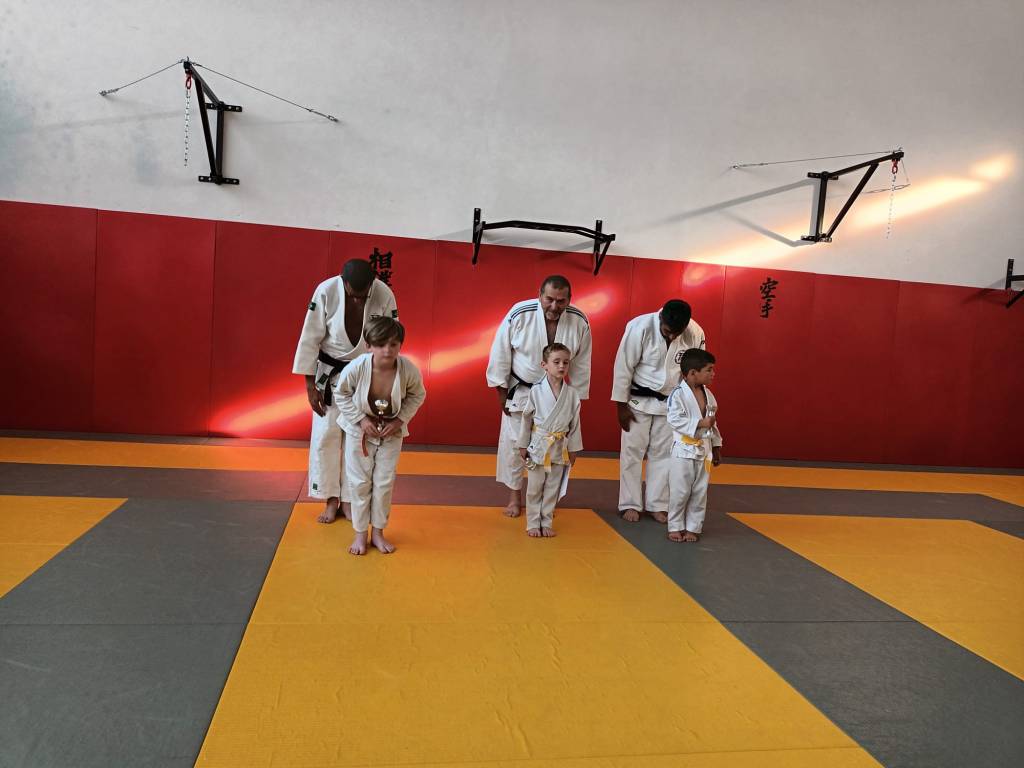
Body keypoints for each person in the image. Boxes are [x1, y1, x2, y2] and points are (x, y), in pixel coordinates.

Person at [292, 259, 398, 524]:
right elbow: (310, 338)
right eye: (353, 295)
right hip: (328, 375)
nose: (358, 300)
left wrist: (383, 382)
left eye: (363, 296)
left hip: (364, 374)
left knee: (357, 439)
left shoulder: (384, 294)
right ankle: (330, 499)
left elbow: (390, 340)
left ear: (372, 283)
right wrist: (310, 386)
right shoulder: (326, 291)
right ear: (343, 281)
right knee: (325, 435)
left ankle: (349, 500)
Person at [486, 275, 592, 517]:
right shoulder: (520, 313)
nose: (554, 306)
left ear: (570, 299)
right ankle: (515, 496)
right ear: (540, 295)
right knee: (516, 445)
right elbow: (500, 351)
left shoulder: (579, 321)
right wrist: (501, 392)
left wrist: (576, 400)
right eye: (549, 299)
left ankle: (546, 500)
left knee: (553, 447)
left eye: (561, 301)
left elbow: (582, 363)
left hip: (556, 393)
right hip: (521, 389)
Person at [334, 316, 425, 555]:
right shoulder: (357, 367)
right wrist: (361, 420)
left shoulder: (407, 369)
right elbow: (341, 394)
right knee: (359, 482)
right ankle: (360, 533)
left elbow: (418, 395)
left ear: (400, 345)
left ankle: (378, 532)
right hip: (359, 430)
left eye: (393, 344)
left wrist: (399, 420)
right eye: (381, 344)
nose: (387, 350)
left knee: (384, 482)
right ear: (368, 345)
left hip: (391, 431)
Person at [611, 300, 705, 523]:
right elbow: (623, 366)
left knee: (664, 454)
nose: (672, 336)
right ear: (660, 317)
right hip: (637, 401)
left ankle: (657, 504)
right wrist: (620, 406)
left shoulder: (695, 333)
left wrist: (691, 407)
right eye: (668, 331)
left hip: (670, 403)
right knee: (632, 453)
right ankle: (630, 503)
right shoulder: (639, 327)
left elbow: (696, 374)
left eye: (677, 333)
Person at [517, 343, 582, 538]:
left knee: (553, 487)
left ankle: (546, 521)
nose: (561, 366)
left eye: (565, 362)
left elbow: (575, 424)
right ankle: (532, 523)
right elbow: (526, 419)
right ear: (544, 365)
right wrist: (522, 444)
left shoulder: (572, 394)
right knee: (535, 487)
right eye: (556, 362)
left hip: (560, 446)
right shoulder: (536, 391)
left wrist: (574, 448)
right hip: (539, 445)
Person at [666, 348, 722, 543]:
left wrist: (716, 446)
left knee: (700, 492)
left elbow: (713, 423)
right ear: (692, 373)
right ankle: (675, 526)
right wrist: (699, 423)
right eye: (709, 370)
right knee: (680, 491)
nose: (713, 373)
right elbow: (674, 420)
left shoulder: (709, 395)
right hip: (683, 450)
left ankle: (693, 527)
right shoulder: (677, 395)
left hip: (704, 450)